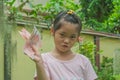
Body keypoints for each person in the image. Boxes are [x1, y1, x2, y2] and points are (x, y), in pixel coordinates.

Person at [20, 10, 97, 80]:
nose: (67, 41)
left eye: (72, 37)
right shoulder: (44, 60)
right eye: (62, 35)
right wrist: (39, 63)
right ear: (53, 31)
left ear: (78, 38)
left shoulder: (83, 61)